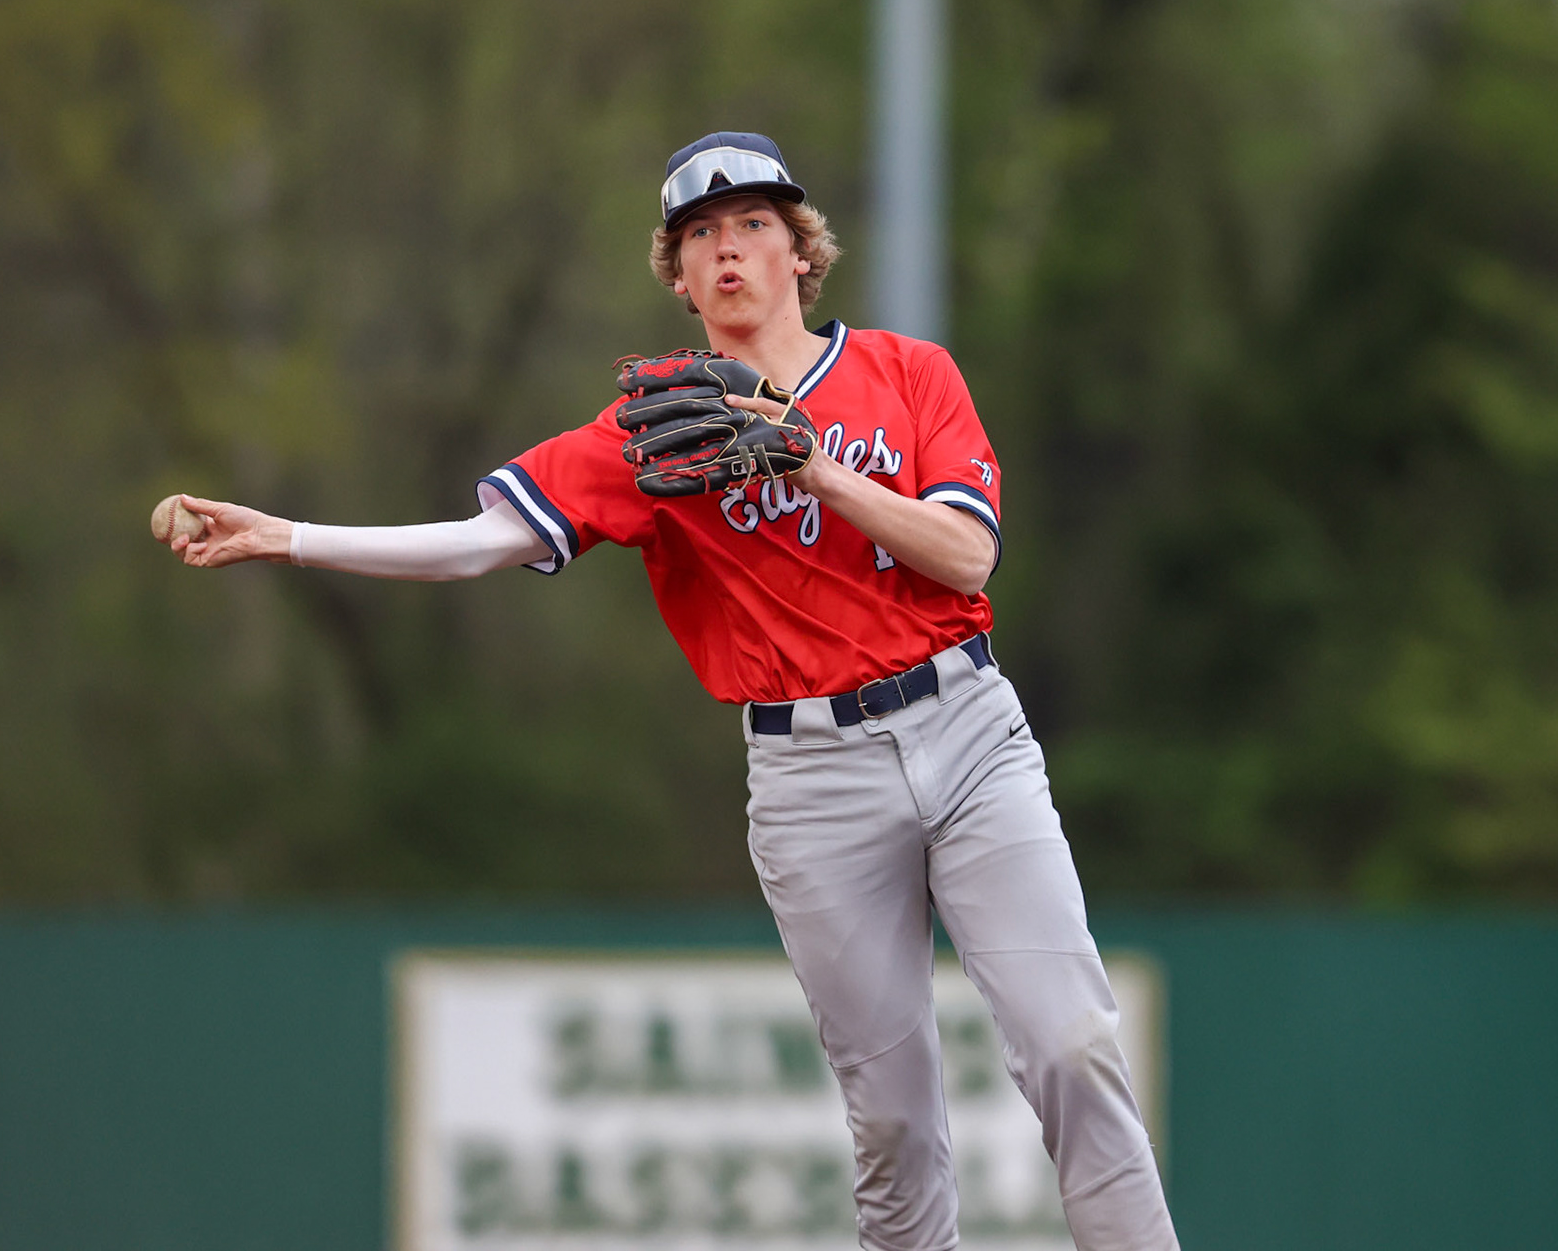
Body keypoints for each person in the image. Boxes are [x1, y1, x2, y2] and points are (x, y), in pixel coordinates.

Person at [174, 131, 1180, 1251]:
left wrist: (811, 464)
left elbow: (966, 556)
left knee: (1073, 1043)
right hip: (811, 777)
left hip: (968, 728)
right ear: (679, 273)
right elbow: (478, 542)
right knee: (893, 1124)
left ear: (802, 252)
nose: (728, 248)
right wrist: (289, 535)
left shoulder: (909, 374)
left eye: (753, 223)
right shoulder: (657, 433)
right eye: (699, 234)